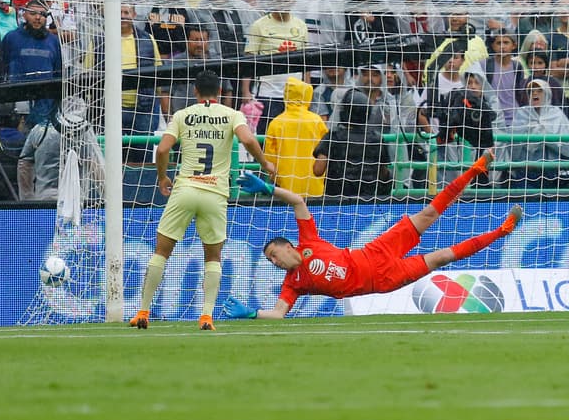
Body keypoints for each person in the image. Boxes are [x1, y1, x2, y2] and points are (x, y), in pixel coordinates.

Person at [226, 152, 523, 320]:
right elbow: (278, 314)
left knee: (429, 214)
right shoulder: (294, 284)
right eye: (269, 260)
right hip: (383, 279)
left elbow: (298, 202)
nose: (273, 262)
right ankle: (502, 230)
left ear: (288, 247)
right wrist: (252, 313)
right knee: (442, 257)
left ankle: (474, 170)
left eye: (273, 255)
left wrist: (267, 190)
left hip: (375, 251)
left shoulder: (309, 241)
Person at [130, 70, 273, 331]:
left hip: (185, 189)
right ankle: (206, 316)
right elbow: (248, 139)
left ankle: (142, 311)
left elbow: (162, 149)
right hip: (215, 193)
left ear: (195, 91)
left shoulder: (182, 115)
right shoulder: (232, 115)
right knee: (213, 257)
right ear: (219, 92)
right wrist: (265, 162)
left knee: (161, 252)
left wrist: (163, 177)